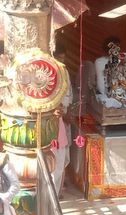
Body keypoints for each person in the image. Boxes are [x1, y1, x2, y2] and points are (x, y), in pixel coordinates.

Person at [51, 43, 73, 197]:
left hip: (62, 119)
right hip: (51, 122)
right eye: (59, 59)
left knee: (61, 159)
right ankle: (52, 192)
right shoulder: (48, 73)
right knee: (52, 161)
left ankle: (57, 190)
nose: (61, 62)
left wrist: (65, 110)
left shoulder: (64, 71)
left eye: (63, 59)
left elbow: (69, 94)